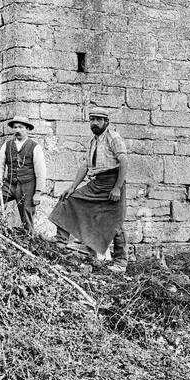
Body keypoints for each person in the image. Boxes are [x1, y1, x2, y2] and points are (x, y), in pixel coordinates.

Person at [50, 105, 128, 269]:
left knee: (115, 222)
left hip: (112, 182)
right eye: (92, 119)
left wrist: (117, 188)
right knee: (67, 201)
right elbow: (85, 166)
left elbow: (124, 162)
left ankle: (121, 262)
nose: (95, 123)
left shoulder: (113, 137)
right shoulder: (92, 141)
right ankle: (59, 249)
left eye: (99, 120)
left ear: (106, 121)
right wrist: (72, 187)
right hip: (97, 183)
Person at [0, 110, 47, 231]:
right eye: (15, 127)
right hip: (9, 184)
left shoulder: (34, 147)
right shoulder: (7, 145)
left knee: (27, 220)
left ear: (27, 129)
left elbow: (41, 172)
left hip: (27, 187)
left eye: (21, 127)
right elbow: (0, 165)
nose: (17, 130)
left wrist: (38, 192)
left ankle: (29, 242)